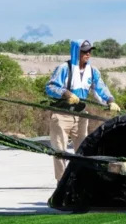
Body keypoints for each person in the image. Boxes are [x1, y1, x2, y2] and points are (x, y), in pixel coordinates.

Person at [45, 39, 120, 181]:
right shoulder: (64, 68)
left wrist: (110, 101)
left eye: (89, 51)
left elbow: (100, 88)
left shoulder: (92, 71)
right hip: (62, 114)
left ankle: (79, 181)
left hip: (81, 116)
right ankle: (61, 182)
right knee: (60, 151)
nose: (88, 54)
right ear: (76, 52)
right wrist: (65, 94)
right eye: (84, 51)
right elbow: (50, 87)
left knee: (83, 150)